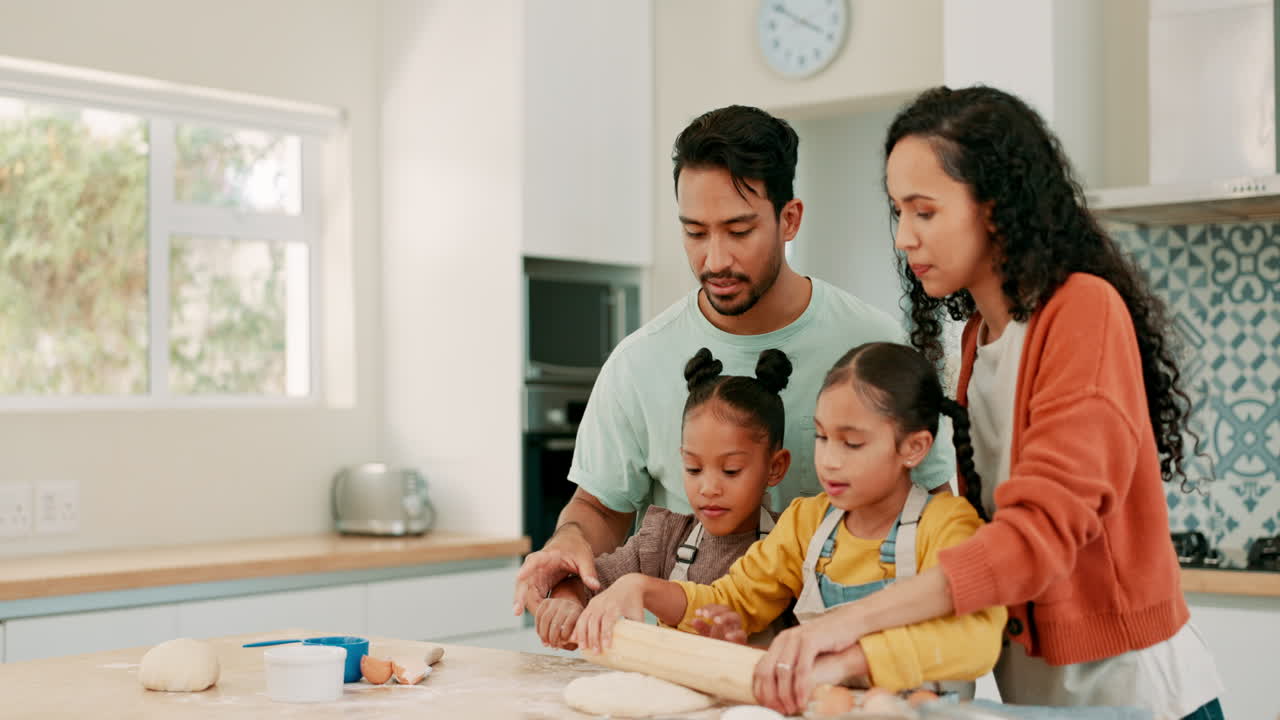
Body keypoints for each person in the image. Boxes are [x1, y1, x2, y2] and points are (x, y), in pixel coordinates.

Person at [754, 85, 1223, 720]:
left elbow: (1034, 538)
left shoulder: (1081, 312)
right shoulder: (979, 338)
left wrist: (848, 628)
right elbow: (982, 542)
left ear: (996, 208)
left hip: (1137, 695)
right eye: (898, 212)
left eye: (924, 212)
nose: (903, 238)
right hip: (1041, 694)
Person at [513, 105, 956, 618]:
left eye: (739, 231)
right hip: (689, 663)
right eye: (696, 233)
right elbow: (597, 508)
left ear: (789, 219)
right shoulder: (639, 363)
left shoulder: (877, 347)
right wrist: (569, 542)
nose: (715, 260)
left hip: (853, 661)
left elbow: (933, 507)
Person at [572, 342, 1005, 699]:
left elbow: (978, 639)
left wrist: (850, 658)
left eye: (851, 443)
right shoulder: (808, 523)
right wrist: (643, 587)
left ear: (913, 448)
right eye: (821, 437)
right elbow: (734, 597)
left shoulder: (947, 524)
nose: (829, 461)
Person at [533, 348, 793, 649]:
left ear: (775, 468)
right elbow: (587, 580)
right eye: (694, 468)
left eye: (731, 470)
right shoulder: (665, 538)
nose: (708, 488)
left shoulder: (791, 543)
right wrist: (567, 601)